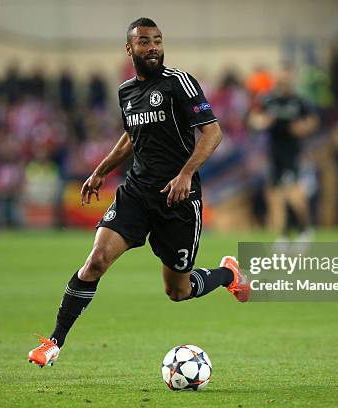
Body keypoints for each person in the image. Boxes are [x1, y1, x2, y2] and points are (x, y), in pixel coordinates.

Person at [28, 17, 250, 368]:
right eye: (145, 42)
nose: (153, 47)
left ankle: (228, 274)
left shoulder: (180, 83)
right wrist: (101, 170)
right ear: (130, 49)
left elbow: (212, 133)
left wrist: (186, 174)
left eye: (158, 41)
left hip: (178, 199)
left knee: (178, 291)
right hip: (136, 192)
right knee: (96, 260)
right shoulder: (126, 92)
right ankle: (53, 342)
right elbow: (132, 136)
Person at [249, 65, 319, 242]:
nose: (283, 84)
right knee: (274, 195)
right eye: (280, 81)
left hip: (292, 153)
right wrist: (262, 122)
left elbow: (312, 121)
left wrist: (303, 128)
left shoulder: (299, 101)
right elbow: (253, 118)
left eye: (286, 81)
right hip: (273, 153)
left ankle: (305, 230)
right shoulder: (268, 100)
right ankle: (284, 234)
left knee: (293, 192)